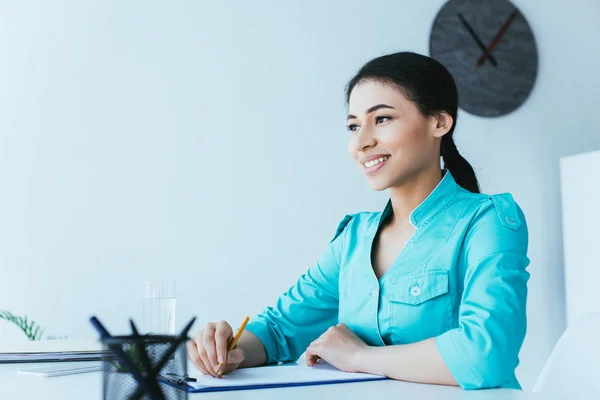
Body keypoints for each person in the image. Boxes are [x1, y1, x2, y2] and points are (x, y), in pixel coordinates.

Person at [187, 51, 530, 390]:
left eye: (381, 119)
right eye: (354, 125)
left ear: (439, 122)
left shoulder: (488, 220)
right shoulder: (354, 237)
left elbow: (485, 354)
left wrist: (357, 357)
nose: (361, 142)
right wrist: (227, 351)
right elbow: (279, 329)